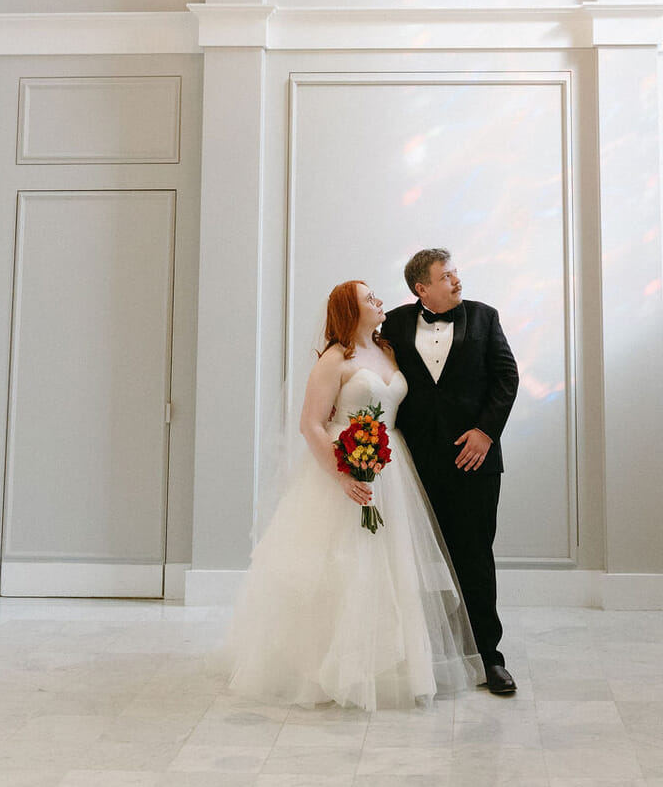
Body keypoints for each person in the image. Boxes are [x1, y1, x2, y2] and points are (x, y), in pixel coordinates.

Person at [217, 279, 481, 711]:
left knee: (390, 565)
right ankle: (329, 670)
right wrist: (343, 474)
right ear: (350, 310)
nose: (379, 301)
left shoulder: (389, 351)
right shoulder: (335, 359)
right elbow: (310, 423)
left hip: (392, 467)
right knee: (342, 565)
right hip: (343, 466)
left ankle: (391, 667)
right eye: (369, 298)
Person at [381, 248, 520, 696]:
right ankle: (424, 657)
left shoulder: (485, 317)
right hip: (414, 464)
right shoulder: (394, 324)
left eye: (456, 273)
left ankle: (489, 658)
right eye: (446, 276)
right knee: (414, 561)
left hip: (475, 461)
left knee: (474, 557)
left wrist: (485, 433)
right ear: (421, 288)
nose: (457, 281)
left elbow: (507, 378)